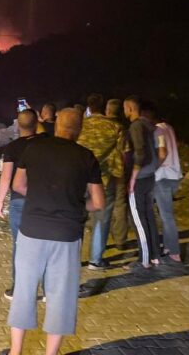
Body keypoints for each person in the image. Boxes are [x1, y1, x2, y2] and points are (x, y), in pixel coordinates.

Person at [2, 108, 105, 355]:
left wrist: (41, 197)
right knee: (61, 295)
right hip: (67, 235)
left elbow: (18, 185)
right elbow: (99, 203)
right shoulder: (86, 157)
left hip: (32, 230)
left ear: (56, 125)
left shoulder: (33, 149)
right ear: (79, 129)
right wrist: (75, 205)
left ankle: (15, 352)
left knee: (25, 290)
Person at [0, 109, 46, 299]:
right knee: (44, 244)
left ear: (18, 125)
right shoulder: (47, 144)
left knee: (21, 245)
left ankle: (19, 289)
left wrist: (0, 202)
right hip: (43, 200)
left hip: (19, 201)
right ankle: (48, 290)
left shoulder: (13, 148)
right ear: (36, 124)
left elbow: (6, 177)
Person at [77, 94, 125, 270]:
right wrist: (120, 176)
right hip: (104, 179)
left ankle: (73, 258)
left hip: (79, 178)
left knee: (78, 216)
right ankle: (95, 260)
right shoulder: (115, 127)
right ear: (105, 108)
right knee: (102, 219)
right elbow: (122, 153)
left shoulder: (81, 125)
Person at [123, 96, 161, 269]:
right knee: (148, 216)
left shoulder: (136, 126)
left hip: (139, 179)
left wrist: (132, 178)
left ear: (130, 108)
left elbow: (140, 152)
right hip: (150, 176)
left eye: (125, 108)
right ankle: (154, 255)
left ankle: (143, 260)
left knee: (138, 218)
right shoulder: (149, 125)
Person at [143, 102, 183, 263]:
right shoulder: (169, 128)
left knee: (166, 215)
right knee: (165, 213)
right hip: (174, 176)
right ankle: (168, 246)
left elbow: (162, 153)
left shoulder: (157, 130)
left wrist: (152, 168)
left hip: (163, 177)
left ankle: (174, 251)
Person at [106, 98, 130, 249]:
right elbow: (126, 152)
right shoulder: (123, 128)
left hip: (104, 172)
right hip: (120, 171)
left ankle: (102, 237)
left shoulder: (102, 126)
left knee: (104, 205)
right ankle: (120, 240)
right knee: (120, 204)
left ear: (107, 110)